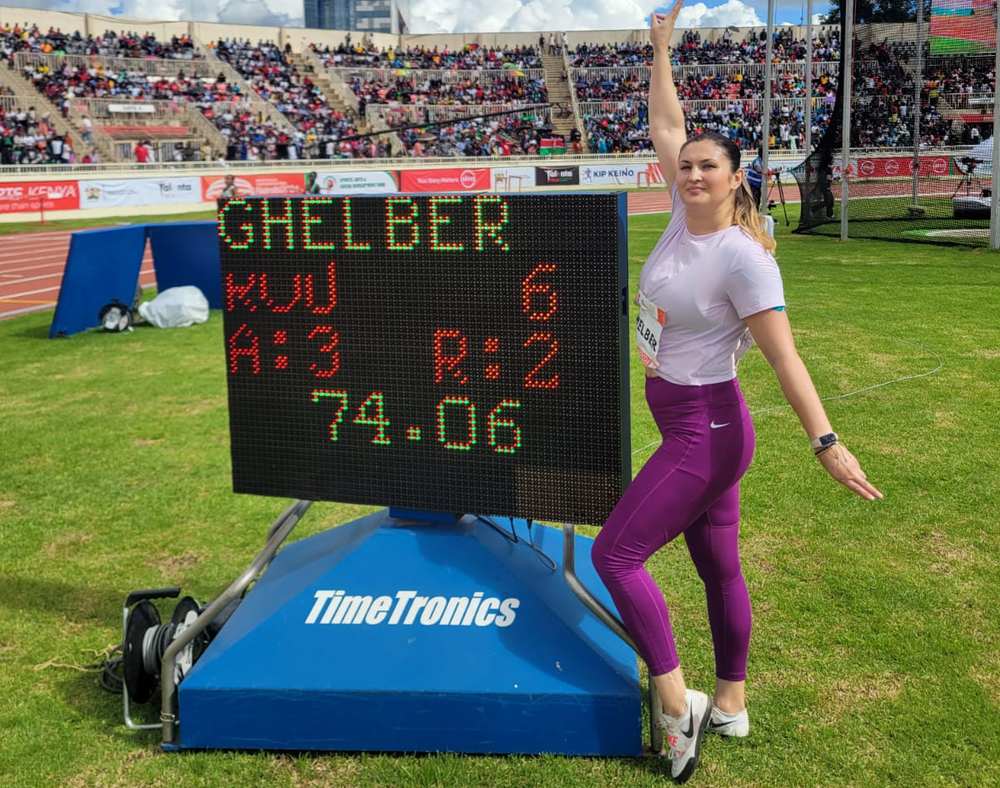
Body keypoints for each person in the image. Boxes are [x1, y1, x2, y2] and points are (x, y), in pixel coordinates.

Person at [592, 3, 883, 784]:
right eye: (685, 165)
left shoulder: (744, 258)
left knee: (614, 555)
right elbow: (666, 121)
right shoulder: (680, 216)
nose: (691, 174)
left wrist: (826, 442)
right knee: (720, 567)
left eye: (706, 167)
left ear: (736, 176)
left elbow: (785, 359)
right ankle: (731, 701)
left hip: (708, 429)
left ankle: (675, 701)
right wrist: (660, 48)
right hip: (693, 423)